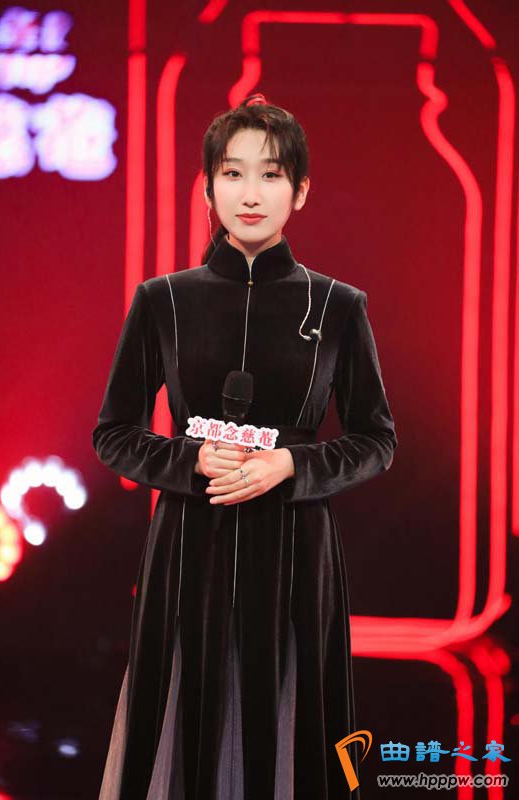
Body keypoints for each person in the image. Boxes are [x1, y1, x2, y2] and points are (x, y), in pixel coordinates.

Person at [93, 93, 398, 800]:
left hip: (294, 547)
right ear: (208, 188)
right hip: (187, 542)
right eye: (232, 174)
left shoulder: (338, 306)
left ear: (300, 190)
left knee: (288, 727)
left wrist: (293, 464)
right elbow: (113, 433)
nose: (250, 194)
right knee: (181, 725)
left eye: (271, 174)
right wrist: (190, 460)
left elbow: (376, 439)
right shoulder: (163, 300)